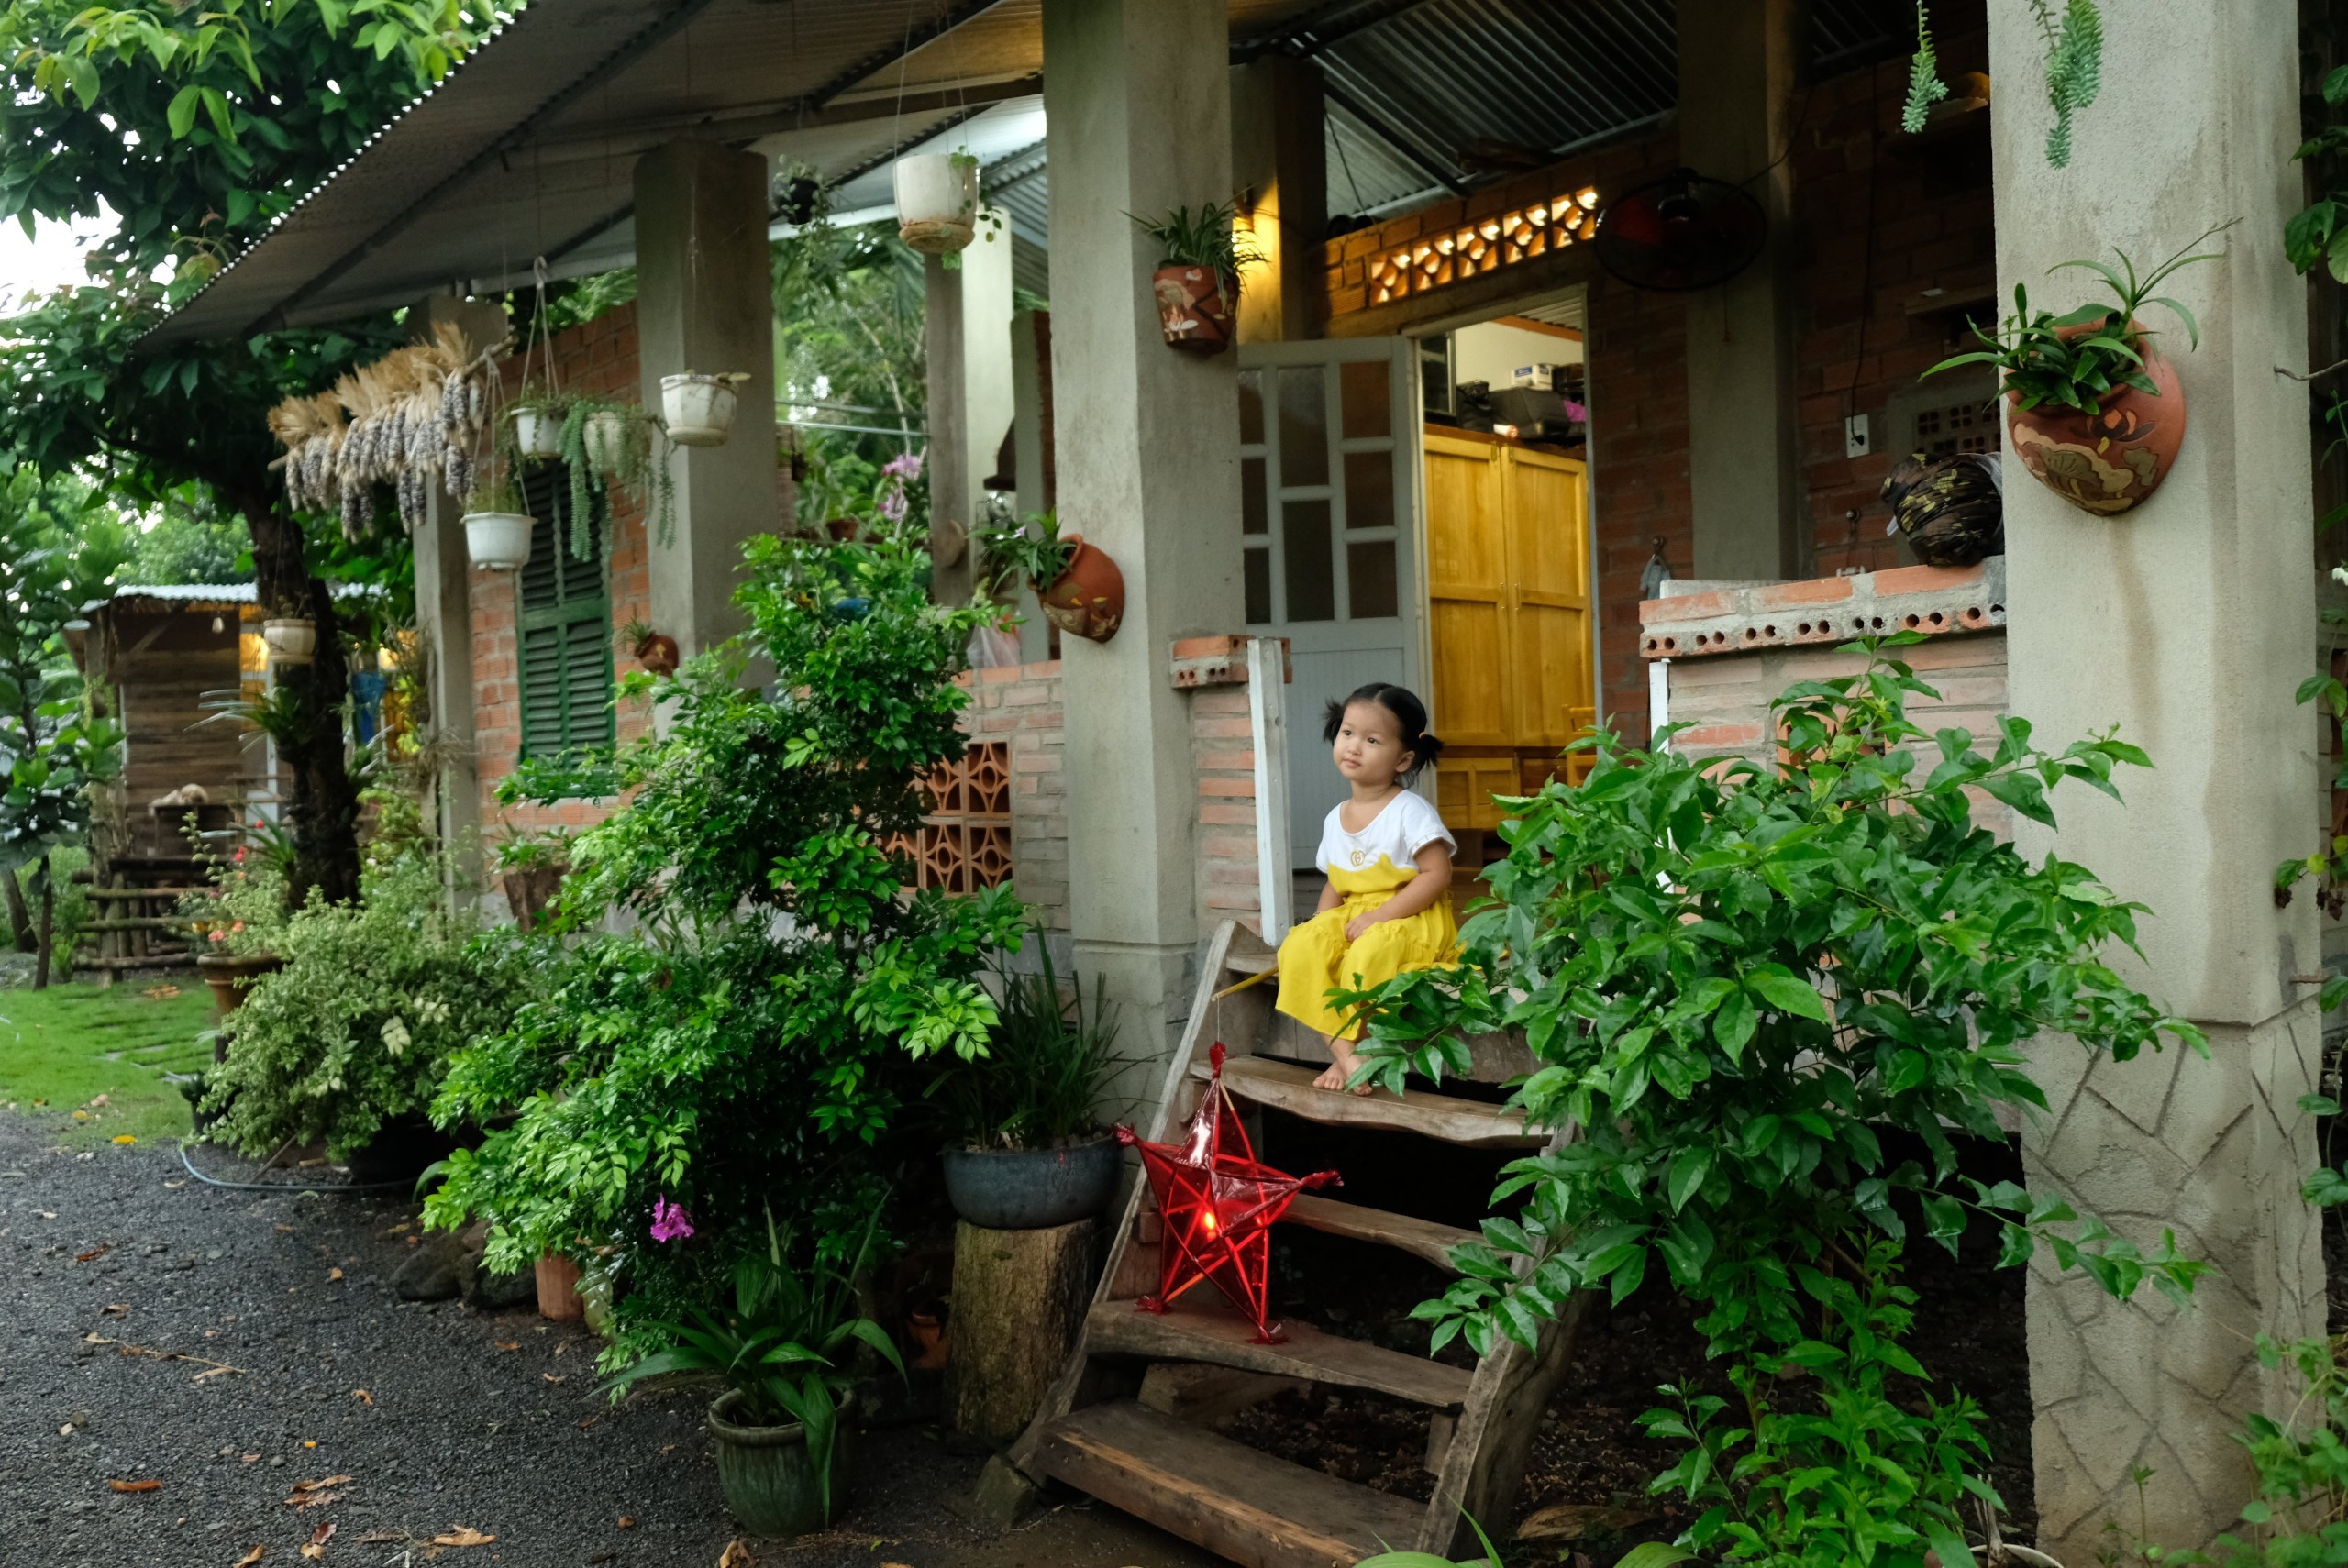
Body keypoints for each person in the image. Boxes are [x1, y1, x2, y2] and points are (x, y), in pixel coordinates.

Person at [1273, 682, 1456, 1093]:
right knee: (1301, 948)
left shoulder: (1409, 810)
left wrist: (1380, 916)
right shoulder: (1335, 817)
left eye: (1372, 740)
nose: (1354, 746)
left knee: (1369, 954)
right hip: (1357, 913)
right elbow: (1335, 885)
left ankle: (1355, 1053)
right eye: (1348, 733)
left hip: (1410, 914)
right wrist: (1320, 930)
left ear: (1404, 758)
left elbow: (1436, 875)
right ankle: (1347, 1055)